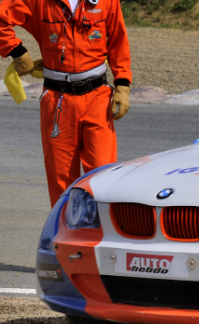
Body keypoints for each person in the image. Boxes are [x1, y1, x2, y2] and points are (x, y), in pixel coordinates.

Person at [0, 0, 131, 206]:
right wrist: (16, 51)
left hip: (98, 99)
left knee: (102, 175)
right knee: (61, 181)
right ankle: (65, 236)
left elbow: (118, 41)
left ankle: (102, 235)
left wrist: (123, 85)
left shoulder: (106, 1)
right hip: (57, 102)